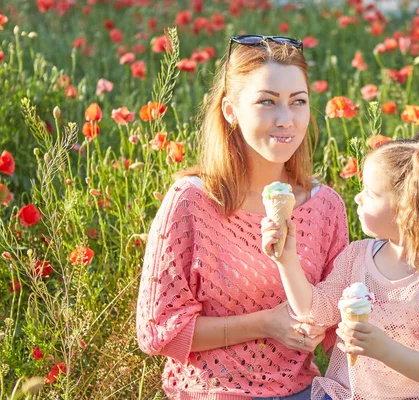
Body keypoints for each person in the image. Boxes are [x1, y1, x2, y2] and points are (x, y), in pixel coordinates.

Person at [135, 35, 350, 399]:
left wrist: (323, 325)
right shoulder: (191, 202)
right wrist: (267, 324)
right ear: (230, 110)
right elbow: (159, 331)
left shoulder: (326, 206)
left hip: (302, 391)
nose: (287, 119)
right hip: (211, 392)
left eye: (298, 102)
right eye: (267, 102)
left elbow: (337, 327)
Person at [262, 131, 419, 399]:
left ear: (407, 210)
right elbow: (313, 310)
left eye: (371, 194)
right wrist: (286, 258)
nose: (357, 199)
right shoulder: (356, 257)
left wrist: (383, 348)